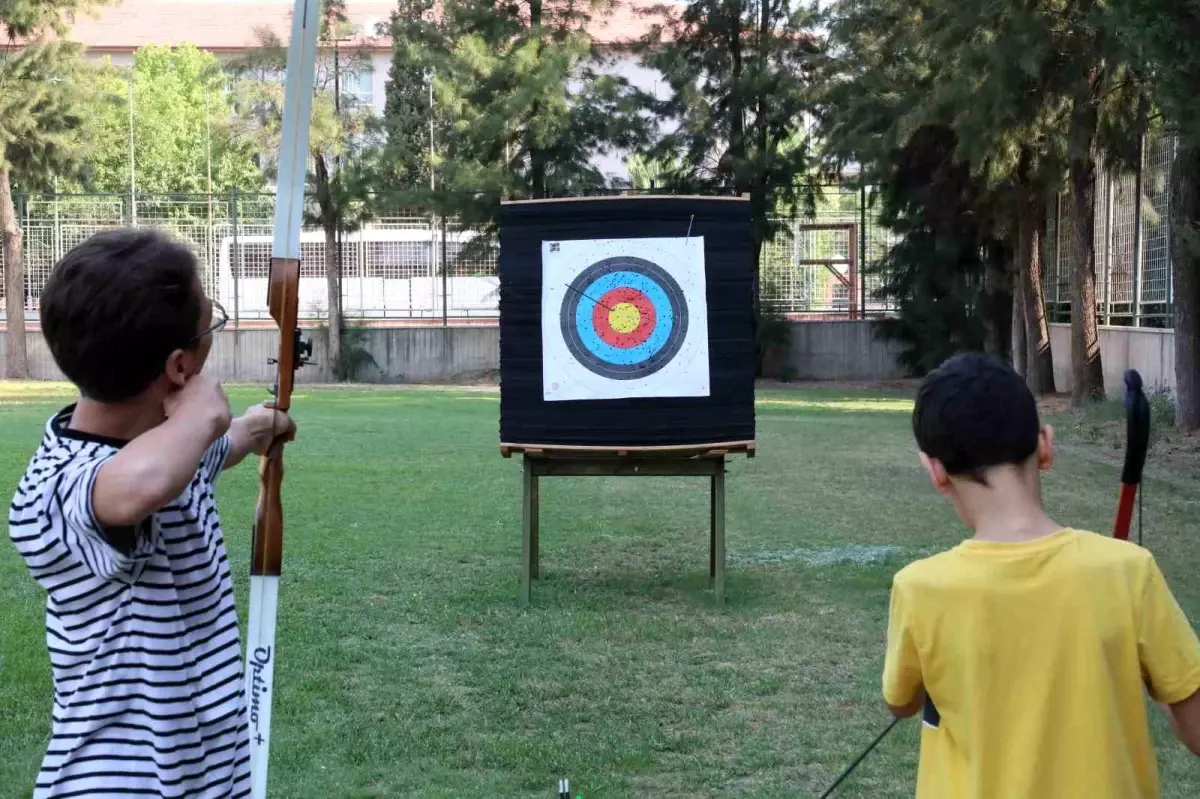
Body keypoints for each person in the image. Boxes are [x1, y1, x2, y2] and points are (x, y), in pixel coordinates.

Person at [7, 227, 296, 798]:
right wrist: (203, 412)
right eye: (209, 325)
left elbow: (211, 453)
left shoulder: (172, 450)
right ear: (179, 367)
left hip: (208, 773)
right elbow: (131, 491)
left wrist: (261, 427)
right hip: (116, 783)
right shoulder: (58, 486)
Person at [882, 352, 1200, 798]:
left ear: (935, 471)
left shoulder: (918, 588)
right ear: (1046, 446)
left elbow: (901, 701)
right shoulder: (1128, 571)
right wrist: (1160, 677)